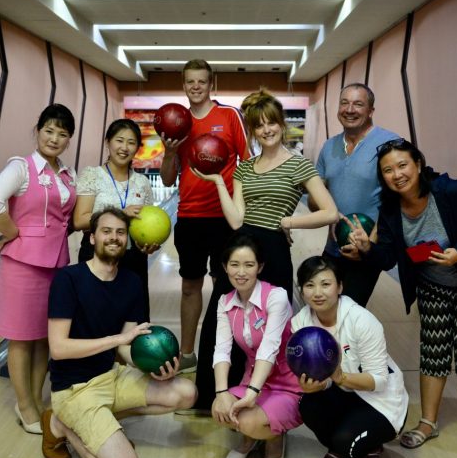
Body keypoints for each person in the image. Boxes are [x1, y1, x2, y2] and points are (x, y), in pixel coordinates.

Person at [350, 138, 457, 456]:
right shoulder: (390, 209)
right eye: (388, 170)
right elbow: (389, 257)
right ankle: (428, 423)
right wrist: (367, 248)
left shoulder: (451, 192)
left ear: (418, 165)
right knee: (433, 354)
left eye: (403, 165)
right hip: (432, 285)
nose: (397, 174)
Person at [41, 208, 197, 458]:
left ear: (128, 239)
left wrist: (151, 368)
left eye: (120, 233)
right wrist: (116, 340)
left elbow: (126, 347)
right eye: (106, 231)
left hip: (111, 377)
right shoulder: (69, 280)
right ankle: (63, 424)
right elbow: (59, 348)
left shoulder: (131, 282)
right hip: (74, 389)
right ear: (91, 238)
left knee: (186, 392)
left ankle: (101, 424)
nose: (114, 238)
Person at [0, 104, 77, 435]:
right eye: (49, 130)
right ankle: (24, 406)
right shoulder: (20, 168)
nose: (54, 138)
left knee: (43, 340)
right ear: (36, 131)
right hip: (22, 264)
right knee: (22, 339)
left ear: (69, 140)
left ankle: (36, 399)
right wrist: (13, 233)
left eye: (62, 134)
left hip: (58, 264)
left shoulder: (67, 173)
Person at [195, 87, 338, 297]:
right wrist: (218, 182)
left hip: (274, 249)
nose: (266, 130)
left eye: (271, 122)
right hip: (242, 248)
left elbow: (330, 212)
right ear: (253, 131)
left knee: (273, 321)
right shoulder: (243, 167)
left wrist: (288, 223)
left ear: (281, 124)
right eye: (259, 125)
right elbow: (236, 221)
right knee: (223, 319)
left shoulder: (299, 165)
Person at [158, 59, 249, 375]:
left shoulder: (228, 116)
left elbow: (247, 166)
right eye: (189, 82)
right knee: (189, 286)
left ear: (212, 84)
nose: (195, 87)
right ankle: (187, 354)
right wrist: (170, 152)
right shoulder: (177, 124)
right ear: (183, 85)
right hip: (190, 216)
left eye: (201, 81)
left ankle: (222, 351)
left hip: (224, 217)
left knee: (226, 287)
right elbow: (168, 180)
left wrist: (248, 213)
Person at [291, 255, 409, 458]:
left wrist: (341, 377)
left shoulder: (362, 320)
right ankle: (342, 446)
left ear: (340, 287)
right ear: (302, 289)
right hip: (342, 393)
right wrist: (313, 386)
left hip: (379, 400)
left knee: (347, 445)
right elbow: (320, 379)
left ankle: (358, 446)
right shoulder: (300, 323)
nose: (317, 292)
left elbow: (380, 380)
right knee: (308, 405)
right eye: (309, 285)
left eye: (326, 284)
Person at [211, 234, 301, 458]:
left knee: (247, 418)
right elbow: (222, 349)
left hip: (286, 382)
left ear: (259, 267)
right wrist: (221, 392)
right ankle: (251, 437)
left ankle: (275, 438)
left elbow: (269, 348)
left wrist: (252, 393)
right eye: (234, 264)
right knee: (219, 408)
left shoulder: (276, 297)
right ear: (225, 267)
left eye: (249, 265)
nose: (241, 272)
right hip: (253, 378)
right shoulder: (225, 302)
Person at [313, 83, 400, 306]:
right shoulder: (329, 146)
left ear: (370, 110)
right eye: (345, 102)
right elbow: (316, 201)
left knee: (350, 312)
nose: (350, 109)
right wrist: (325, 208)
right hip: (333, 247)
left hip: (368, 247)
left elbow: (399, 198)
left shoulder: (390, 144)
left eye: (358, 104)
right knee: (323, 308)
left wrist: (370, 243)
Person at [73, 119, 157, 320]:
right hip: (96, 255)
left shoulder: (142, 182)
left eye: (131, 142)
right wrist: (120, 212)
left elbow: (149, 224)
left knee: (134, 320)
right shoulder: (92, 175)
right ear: (108, 142)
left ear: (137, 147)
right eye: (119, 140)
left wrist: (149, 245)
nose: (124, 147)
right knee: (95, 319)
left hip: (133, 258)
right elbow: (79, 220)